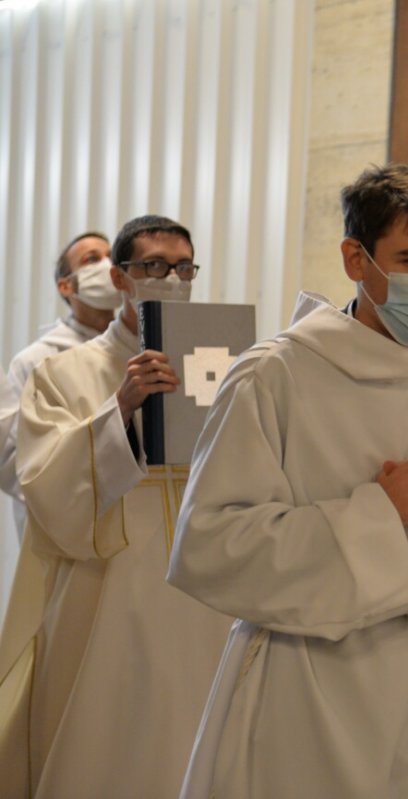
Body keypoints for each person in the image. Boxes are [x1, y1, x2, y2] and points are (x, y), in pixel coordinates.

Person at [168, 163, 408, 798]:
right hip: (301, 684)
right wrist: (377, 515)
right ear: (355, 260)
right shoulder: (275, 377)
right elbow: (207, 543)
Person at [0, 215, 234, 798]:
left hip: (198, 591)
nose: (171, 280)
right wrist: (122, 408)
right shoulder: (59, 372)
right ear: (122, 278)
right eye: (153, 266)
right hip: (105, 591)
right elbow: (41, 479)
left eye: (184, 267)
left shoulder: (220, 362)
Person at [0, 232, 121, 539]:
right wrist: (75, 498)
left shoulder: (137, 352)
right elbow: (13, 458)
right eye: (92, 259)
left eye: (111, 256)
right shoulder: (36, 361)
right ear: (66, 285)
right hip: (63, 525)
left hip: (130, 512)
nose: (106, 265)